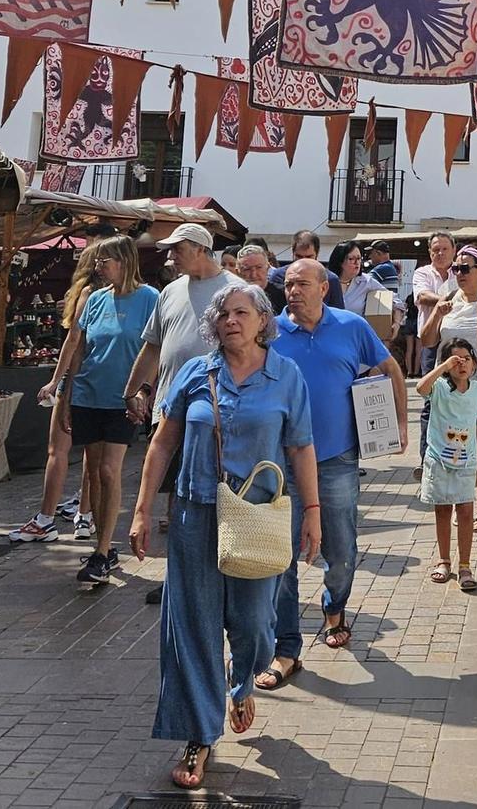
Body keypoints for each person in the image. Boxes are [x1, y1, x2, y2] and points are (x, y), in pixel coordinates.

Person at [130, 283, 317, 785]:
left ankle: (241, 683)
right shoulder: (196, 372)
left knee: (255, 624)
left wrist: (313, 511)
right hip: (195, 515)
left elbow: (300, 449)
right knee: (192, 626)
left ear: (262, 321)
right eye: (223, 314)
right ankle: (200, 735)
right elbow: (161, 445)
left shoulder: (286, 376)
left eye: (242, 312)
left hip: (257, 518)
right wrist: (142, 510)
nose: (230, 320)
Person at [258, 257, 407, 689]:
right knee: (279, 557)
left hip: (337, 458)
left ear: (324, 288)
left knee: (341, 549)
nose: (293, 291)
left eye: (302, 283)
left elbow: (391, 369)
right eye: (287, 284)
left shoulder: (352, 327)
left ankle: (334, 606)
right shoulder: (269, 332)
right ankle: (286, 648)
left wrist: (399, 423)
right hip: (281, 461)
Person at [124, 223, 238, 604]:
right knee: (177, 497)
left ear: (201, 249)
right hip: (170, 409)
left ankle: (224, 573)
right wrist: (133, 387)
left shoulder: (233, 293)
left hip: (218, 412)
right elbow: (154, 347)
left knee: (220, 495)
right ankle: (179, 578)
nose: (169, 257)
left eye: (177, 250)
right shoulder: (169, 292)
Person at [56, 235, 160, 588]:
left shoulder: (150, 299)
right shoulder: (96, 300)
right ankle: (104, 543)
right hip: (88, 394)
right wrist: (67, 395)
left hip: (123, 398)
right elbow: (80, 350)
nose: (98, 267)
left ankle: (101, 551)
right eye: (97, 261)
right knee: (94, 473)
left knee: (107, 470)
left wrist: (145, 390)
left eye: (104, 260)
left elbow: (155, 350)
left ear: (124, 261)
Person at [10, 245, 101, 544]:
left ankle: (46, 518)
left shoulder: (88, 293)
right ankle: (85, 517)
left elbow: (74, 340)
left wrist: (55, 380)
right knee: (92, 454)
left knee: (57, 451)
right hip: (98, 382)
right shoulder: (115, 296)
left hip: (77, 379)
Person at [416, 337, 477, 591]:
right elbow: (421, 388)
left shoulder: (476, 390)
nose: (461, 364)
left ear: (474, 363)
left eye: (466, 358)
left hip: (465, 461)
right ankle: (444, 560)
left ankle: (465, 565)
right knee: (442, 510)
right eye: (455, 359)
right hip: (439, 459)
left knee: (465, 511)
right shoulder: (440, 388)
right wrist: (442, 367)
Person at [424, 244, 477, 539]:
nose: (459, 273)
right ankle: (458, 503)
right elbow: (428, 340)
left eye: (465, 268)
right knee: (450, 445)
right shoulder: (449, 299)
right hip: (448, 391)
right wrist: (437, 314)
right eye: (456, 268)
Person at [409, 232, 459, 469]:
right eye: (435, 250)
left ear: (453, 250)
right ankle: (425, 459)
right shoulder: (422, 273)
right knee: (431, 400)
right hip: (432, 343)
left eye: (444, 249)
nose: (440, 254)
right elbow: (422, 296)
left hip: (458, 343)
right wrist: (447, 300)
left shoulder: (462, 270)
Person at [266, 228, 344, 309]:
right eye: (299, 256)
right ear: (293, 254)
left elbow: (338, 314)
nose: (303, 261)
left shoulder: (331, 279)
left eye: (308, 257)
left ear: (317, 254)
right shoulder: (278, 277)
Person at [328, 240, 371, 314]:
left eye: (359, 258)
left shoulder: (366, 281)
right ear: (340, 261)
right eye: (351, 259)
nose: (357, 263)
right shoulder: (327, 280)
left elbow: (394, 299)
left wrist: (396, 322)